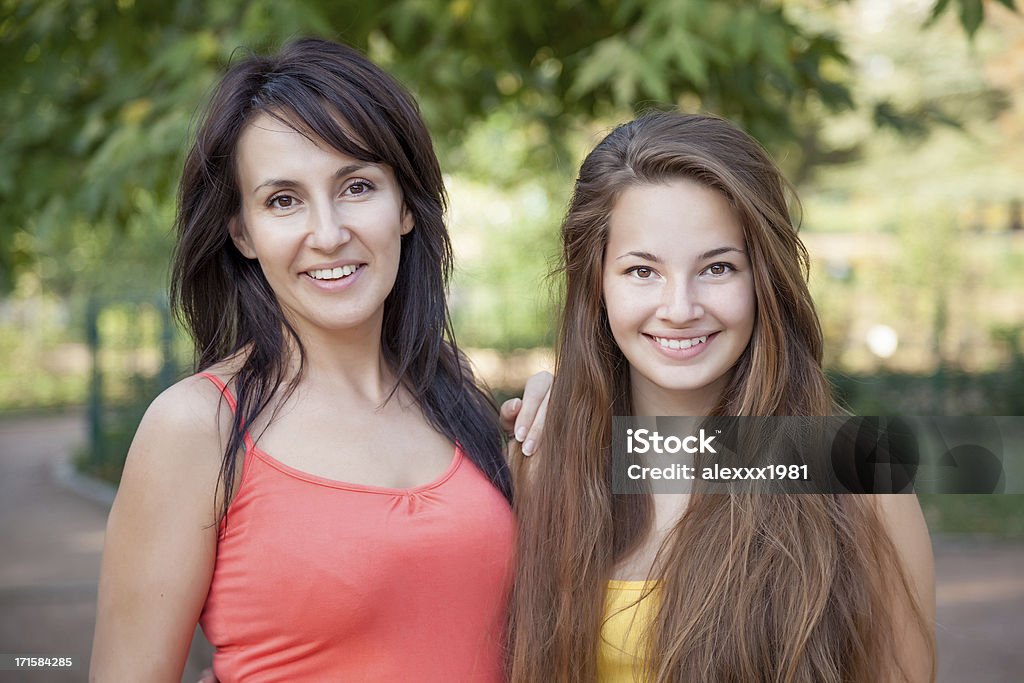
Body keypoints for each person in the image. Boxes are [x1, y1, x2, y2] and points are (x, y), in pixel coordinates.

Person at [90, 37, 549, 682]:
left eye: (356, 186)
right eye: (283, 200)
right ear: (242, 232)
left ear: (406, 207)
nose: (329, 234)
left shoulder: (456, 401)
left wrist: (575, 427)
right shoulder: (197, 427)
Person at [509, 112, 936, 682]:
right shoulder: (538, 463)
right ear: (597, 284)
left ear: (764, 278)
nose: (681, 308)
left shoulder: (857, 474)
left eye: (717, 268)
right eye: (642, 271)